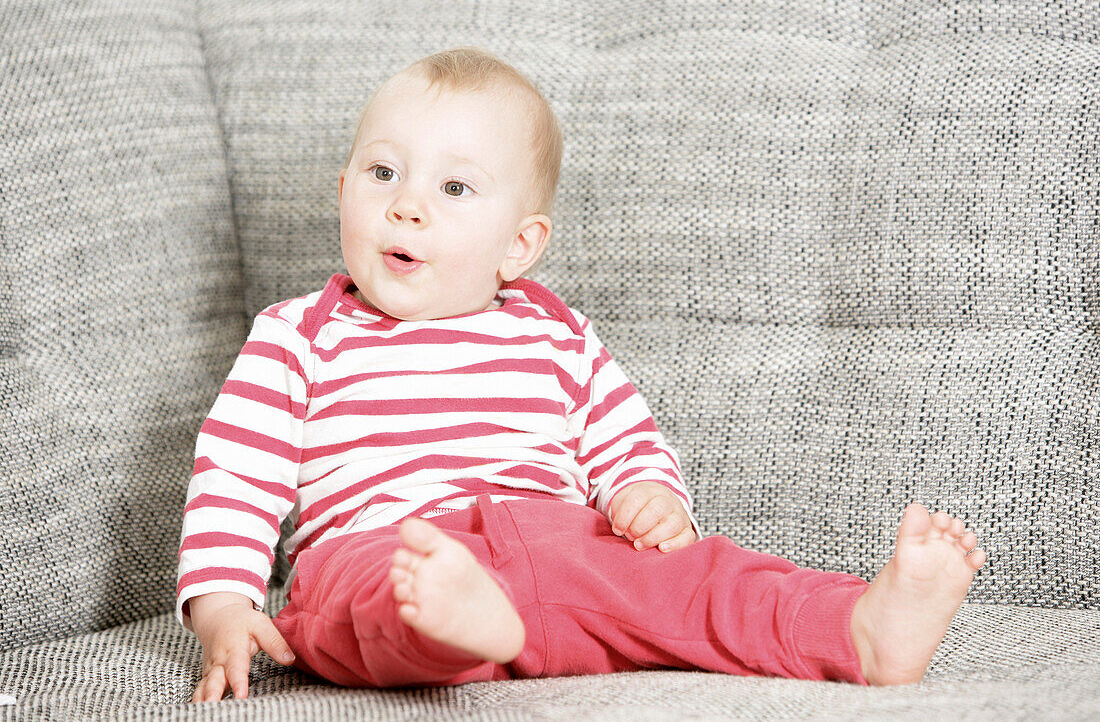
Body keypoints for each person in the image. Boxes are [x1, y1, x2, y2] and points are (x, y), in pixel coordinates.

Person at [176, 47, 988, 703]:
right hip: (385, 544)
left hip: (561, 546)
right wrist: (223, 603)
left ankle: (860, 630)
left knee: (700, 581)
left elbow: (625, 438)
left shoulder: (557, 334)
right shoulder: (299, 335)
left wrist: (650, 497)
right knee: (360, 606)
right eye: (383, 174)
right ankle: (449, 626)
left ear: (520, 246)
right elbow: (236, 480)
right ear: (343, 190)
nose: (407, 206)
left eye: (454, 187)